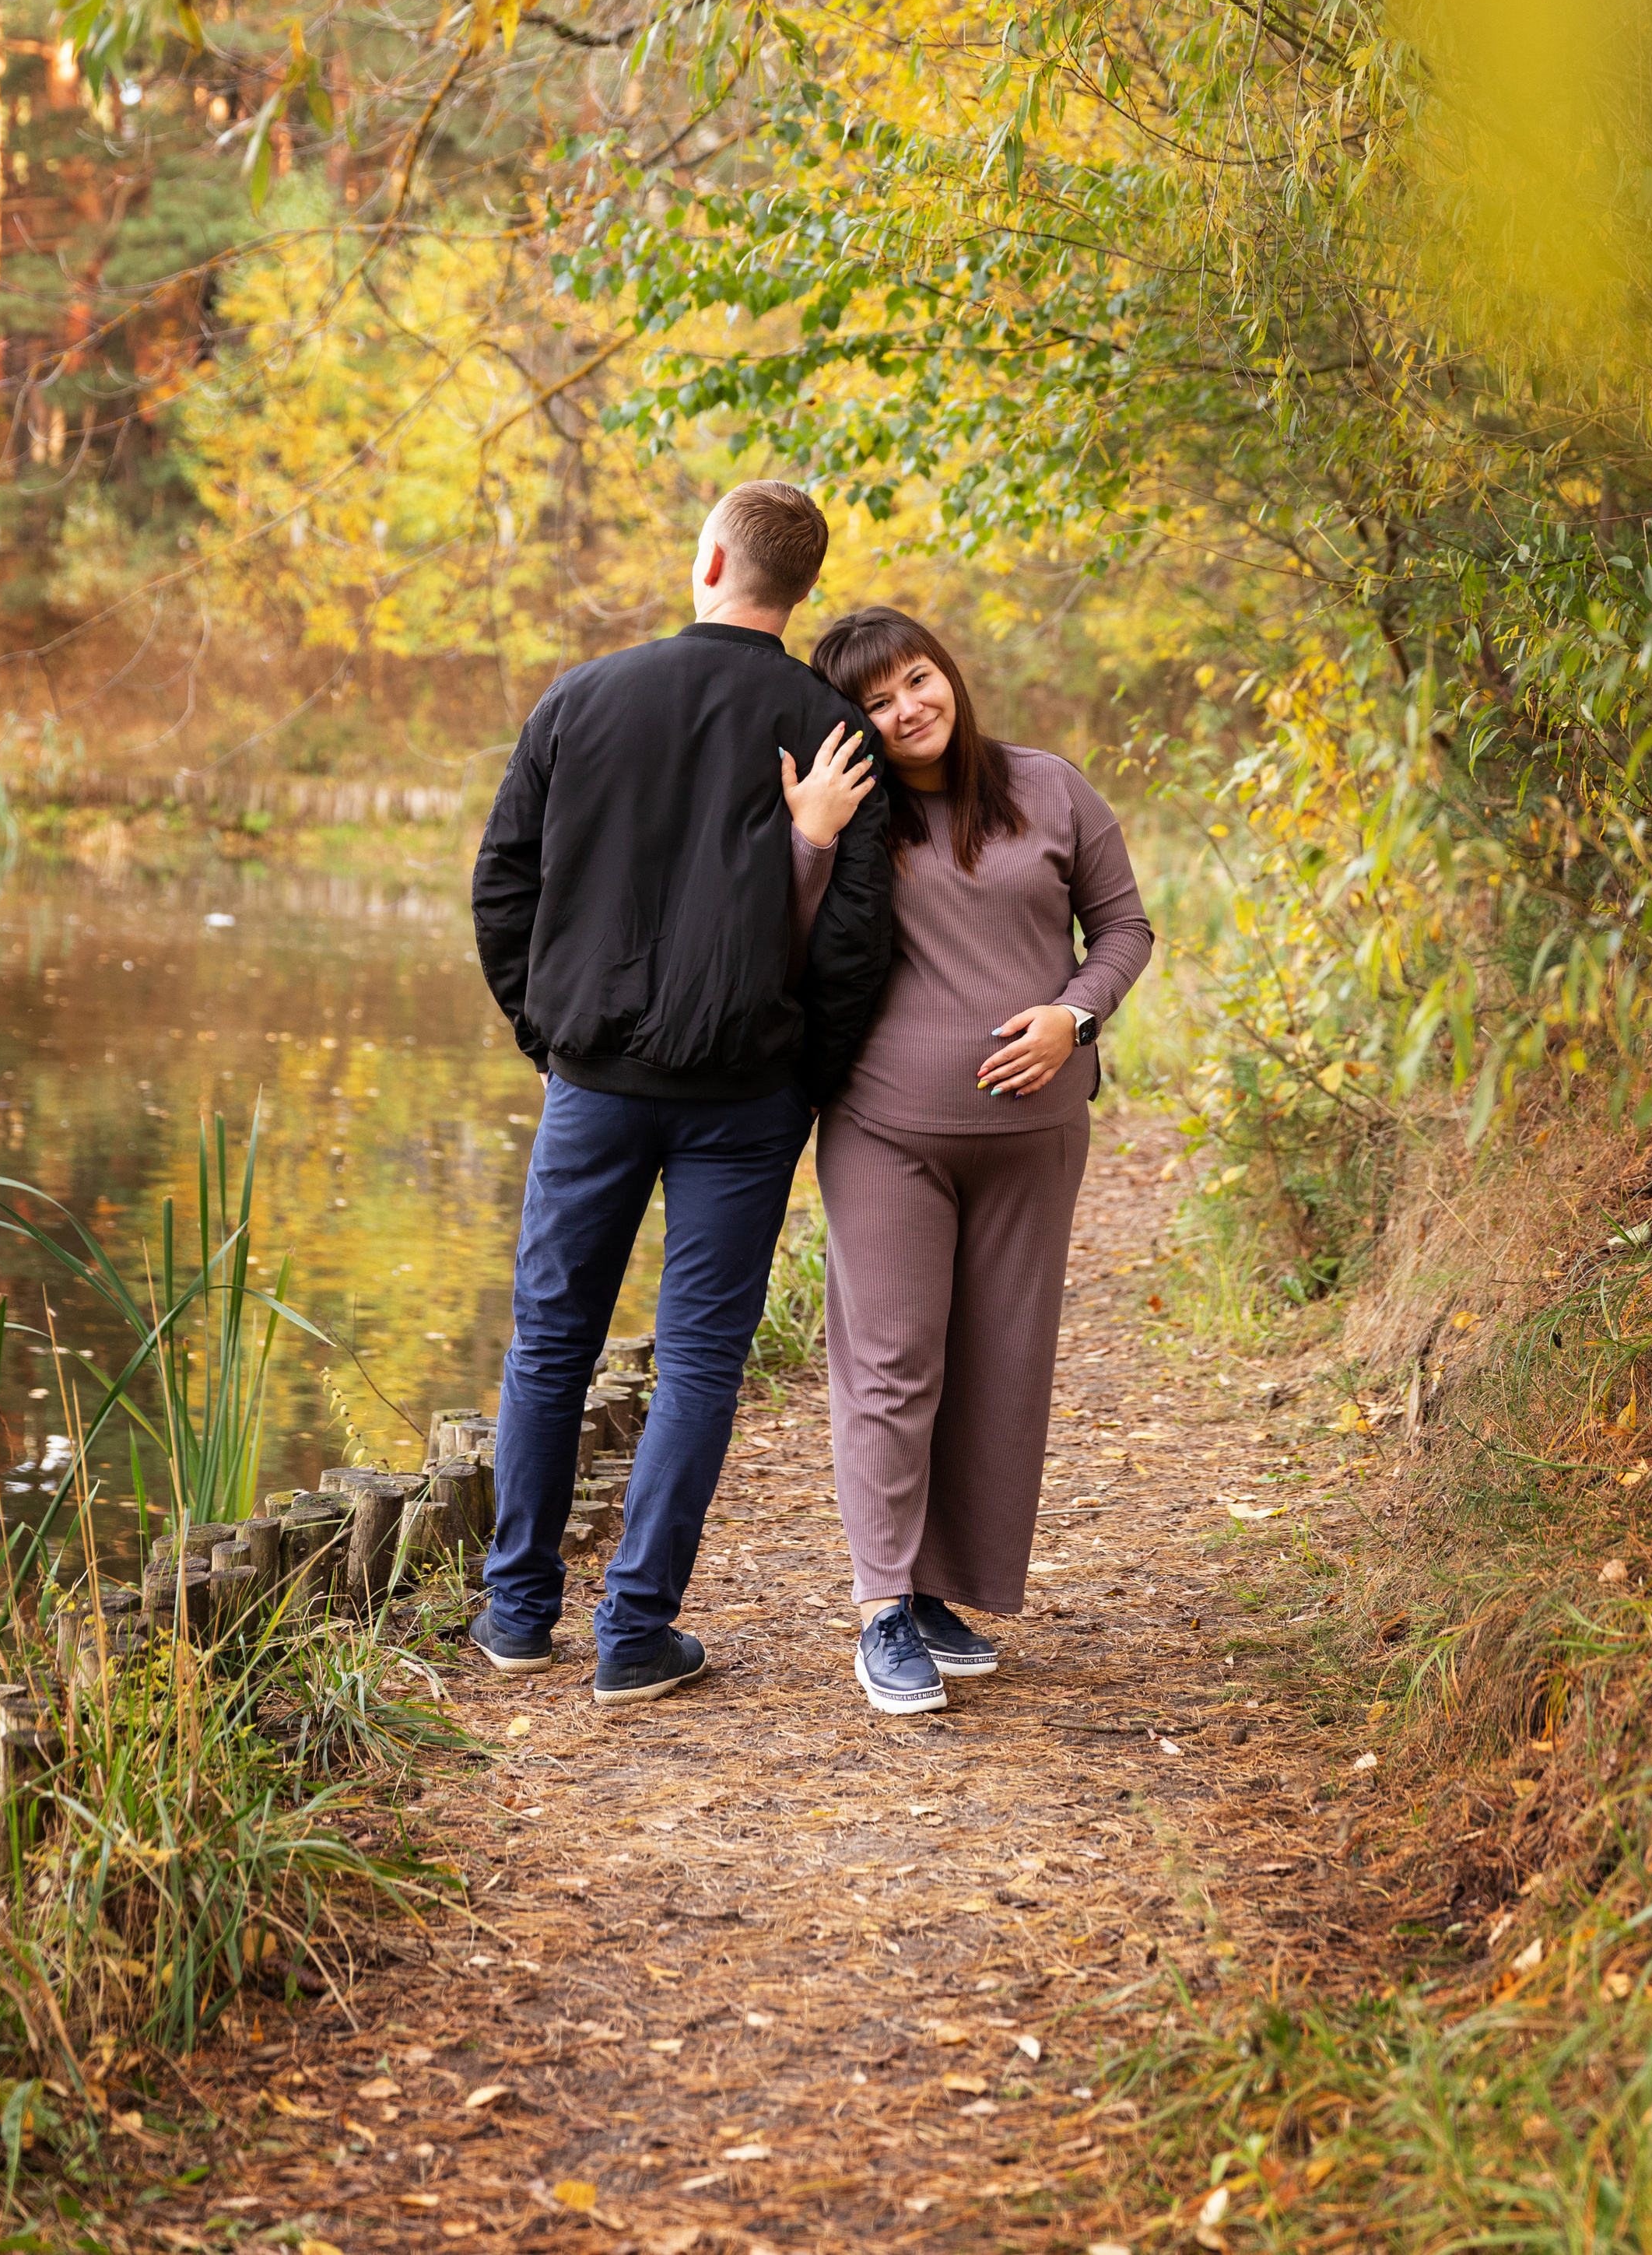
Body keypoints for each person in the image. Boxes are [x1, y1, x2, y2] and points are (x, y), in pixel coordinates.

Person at [470, 482, 892, 1706]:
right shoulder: (834, 731)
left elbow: (502, 885)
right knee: (701, 1358)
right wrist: (804, 1078)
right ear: (800, 589)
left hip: (594, 1080)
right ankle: (634, 1633)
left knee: (551, 1340)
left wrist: (548, 1034)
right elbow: (857, 941)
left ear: (709, 561)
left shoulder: (581, 696)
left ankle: (517, 1615)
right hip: (750, 1096)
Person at [791, 605, 1152, 1716]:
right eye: (877, 701)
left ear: (946, 672)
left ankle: (938, 1587)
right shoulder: (851, 811)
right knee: (893, 1362)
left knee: (998, 1367)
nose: (908, 709)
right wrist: (810, 838)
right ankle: (882, 1609)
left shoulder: (1051, 788)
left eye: (917, 679)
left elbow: (1124, 930)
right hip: (886, 1129)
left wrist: (1073, 1017)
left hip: (1034, 1139)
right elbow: (780, 937)